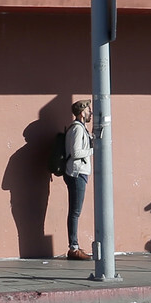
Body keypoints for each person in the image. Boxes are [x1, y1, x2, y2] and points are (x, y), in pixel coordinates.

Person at [63, 99, 93, 261]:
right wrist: (93, 149)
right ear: (82, 112)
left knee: (75, 211)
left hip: (79, 172)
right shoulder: (77, 129)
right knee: (75, 212)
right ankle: (73, 247)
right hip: (76, 173)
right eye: (88, 110)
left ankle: (74, 246)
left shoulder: (81, 128)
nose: (90, 113)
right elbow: (76, 152)